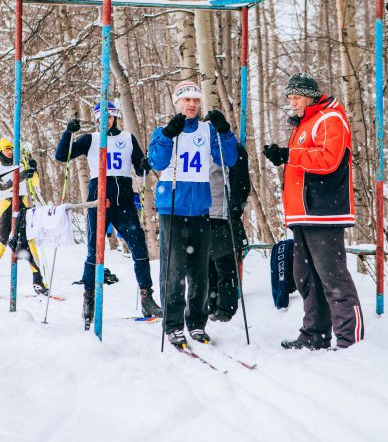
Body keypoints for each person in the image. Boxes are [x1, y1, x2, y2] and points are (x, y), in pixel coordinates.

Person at [263, 73, 364, 350]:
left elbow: (328, 160)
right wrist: (284, 156)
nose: (292, 103)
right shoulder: (304, 123)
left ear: (309, 96)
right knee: (306, 278)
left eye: (295, 97)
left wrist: (289, 155)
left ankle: (350, 341)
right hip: (302, 214)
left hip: (324, 211)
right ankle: (315, 336)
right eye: (290, 98)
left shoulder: (330, 118)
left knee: (333, 278)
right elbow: (301, 163)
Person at [148, 81, 238, 348]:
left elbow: (229, 159)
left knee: (199, 272)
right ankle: (173, 324)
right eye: (186, 100)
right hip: (172, 207)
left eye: (196, 100)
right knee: (173, 271)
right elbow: (157, 162)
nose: (192, 104)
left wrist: (224, 131)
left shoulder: (207, 130)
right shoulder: (165, 130)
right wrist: (167, 135)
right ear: (177, 102)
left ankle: (197, 323)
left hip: (200, 208)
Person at [55, 101, 162, 325]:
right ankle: (89, 298)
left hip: (123, 199)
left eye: (110, 117)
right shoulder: (91, 139)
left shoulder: (127, 138)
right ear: (97, 120)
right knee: (94, 251)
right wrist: (68, 132)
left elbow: (141, 168)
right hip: (98, 198)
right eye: (102, 118)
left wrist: (146, 162)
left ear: (115, 117)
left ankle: (146, 297)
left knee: (139, 247)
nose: (107, 121)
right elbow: (61, 156)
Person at [208, 143, 250, 322]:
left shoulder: (231, 148)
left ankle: (226, 307)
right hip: (200, 212)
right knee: (206, 264)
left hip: (223, 213)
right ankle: (210, 304)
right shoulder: (201, 146)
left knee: (225, 264)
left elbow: (241, 182)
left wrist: (234, 210)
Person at [0, 138, 48, 295]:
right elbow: (3, 187)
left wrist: (33, 170)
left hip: (22, 204)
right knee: (1, 244)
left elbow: (35, 182)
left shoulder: (21, 164)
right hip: (5, 207)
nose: (10, 151)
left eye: (12, 148)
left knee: (29, 242)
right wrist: (21, 175)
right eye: (7, 148)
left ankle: (38, 281)